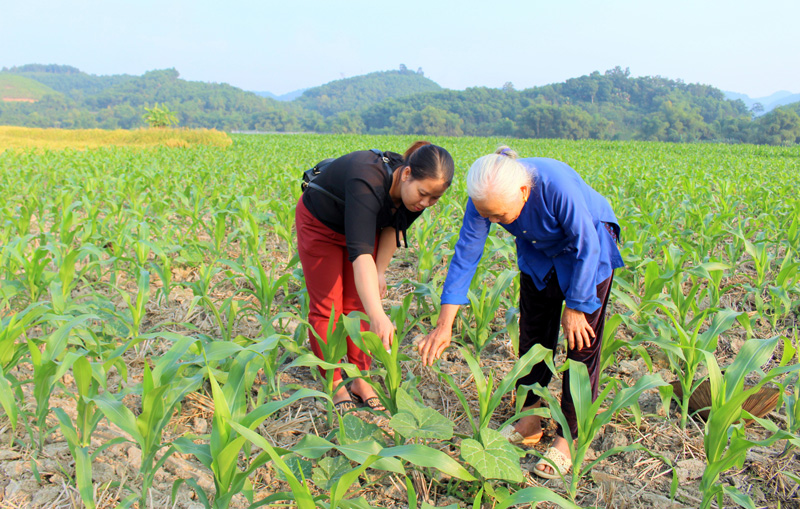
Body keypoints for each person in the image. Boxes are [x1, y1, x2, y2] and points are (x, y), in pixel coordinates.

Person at [417, 146, 623, 478]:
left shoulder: (557, 187)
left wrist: (576, 306)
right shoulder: (484, 198)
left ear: (524, 192)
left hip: (587, 254)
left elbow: (587, 243)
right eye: (489, 216)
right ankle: (529, 419)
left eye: (500, 216)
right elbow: (466, 255)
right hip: (539, 253)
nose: (494, 222)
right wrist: (445, 324)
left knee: (580, 345)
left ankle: (569, 438)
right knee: (532, 336)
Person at [296, 142, 454, 412]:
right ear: (405, 175)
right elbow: (360, 255)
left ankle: (360, 378)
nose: (425, 203)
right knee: (328, 308)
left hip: (362, 229)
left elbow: (395, 225)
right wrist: (379, 314)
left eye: (434, 199)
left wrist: (380, 271)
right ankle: (333, 382)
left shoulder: (415, 195)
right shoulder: (366, 180)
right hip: (322, 226)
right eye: (423, 194)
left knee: (358, 305)